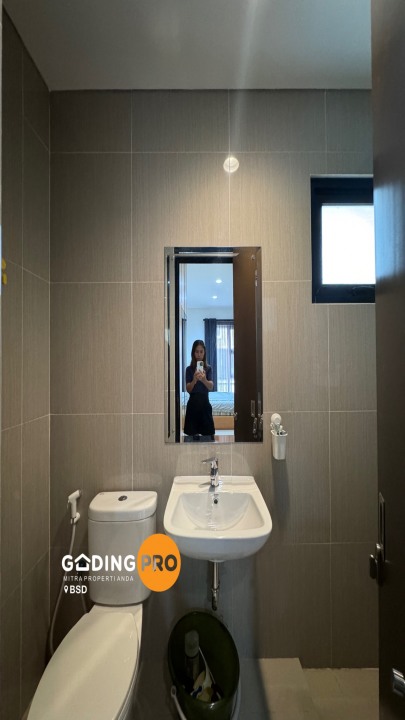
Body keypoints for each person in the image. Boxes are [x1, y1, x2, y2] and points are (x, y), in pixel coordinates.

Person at [184, 340, 215, 440]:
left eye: (201, 352)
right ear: (193, 353)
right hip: (192, 406)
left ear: (204, 353)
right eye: (197, 351)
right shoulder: (189, 369)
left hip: (205, 405)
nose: (199, 354)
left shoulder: (208, 369)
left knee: (208, 438)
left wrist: (204, 379)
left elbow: (211, 387)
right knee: (190, 440)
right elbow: (188, 389)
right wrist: (194, 380)